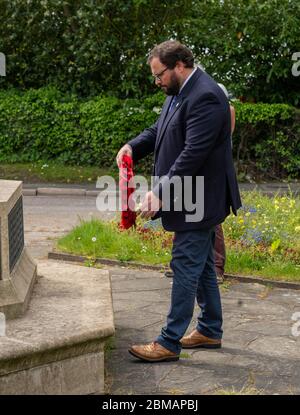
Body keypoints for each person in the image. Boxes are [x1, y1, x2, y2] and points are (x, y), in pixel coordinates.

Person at [116, 40, 241, 363]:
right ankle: (210, 329)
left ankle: (169, 341)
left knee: (185, 264)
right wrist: (133, 146)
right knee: (199, 268)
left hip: (200, 198)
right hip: (188, 195)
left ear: (179, 66)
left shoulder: (207, 96)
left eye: (159, 75)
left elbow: (192, 155)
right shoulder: (179, 92)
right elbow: (161, 129)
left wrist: (160, 192)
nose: (156, 81)